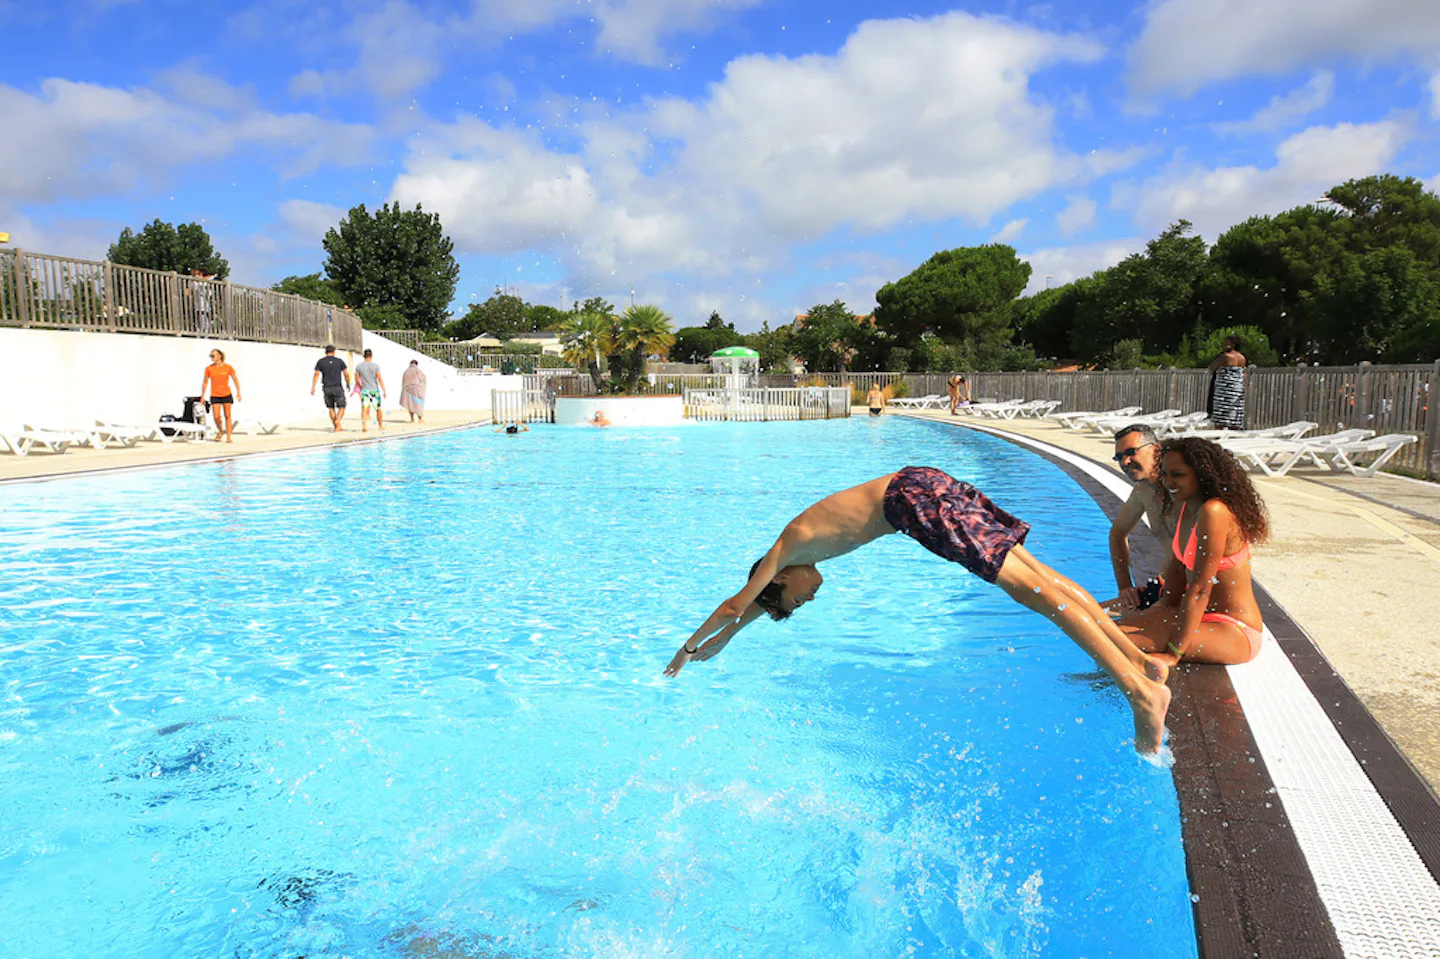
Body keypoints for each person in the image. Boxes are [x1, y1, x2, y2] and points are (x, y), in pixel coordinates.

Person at [663, 466, 1172, 754]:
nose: (810, 598)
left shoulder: (785, 550)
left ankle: (1140, 692)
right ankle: (1137, 659)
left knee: (1031, 592)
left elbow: (737, 603)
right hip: (922, 483)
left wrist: (690, 648)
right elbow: (752, 607)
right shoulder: (798, 552)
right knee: (1043, 577)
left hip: (910, 501)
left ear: (777, 579)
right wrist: (730, 637)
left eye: (798, 599)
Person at [1118, 438, 1269, 671]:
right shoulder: (1187, 507)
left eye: (1178, 475)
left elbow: (1200, 589)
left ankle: (1144, 690)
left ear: (1202, 474)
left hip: (1234, 630)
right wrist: (1152, 612)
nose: (1168, 482)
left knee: (1116, 644)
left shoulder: (1214, 511)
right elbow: (1177, 574)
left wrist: (1173, 654)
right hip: (1196, 616)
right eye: (1165, 474)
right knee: (1109, 632)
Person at [1101, 424, 1178, 613]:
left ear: (1156, 449)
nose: (1125, 462)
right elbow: (1117, 534)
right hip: (1166, 587)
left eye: (1131, 452)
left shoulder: (1183, 490)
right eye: (1119, 457)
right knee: (1087, 616)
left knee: (1107, 627)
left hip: (1191, 594)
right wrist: (1125, 589)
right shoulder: (1143, 491)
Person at [1206, 335, 1247, 430]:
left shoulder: (1225, 356)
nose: (1223, 345)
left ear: (1232, 345)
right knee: (1234, 414)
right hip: (1236, 390)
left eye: (1225, 343)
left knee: (1220, 417)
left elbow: (1211, 368)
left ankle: (1219, 434)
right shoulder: (1242, 358)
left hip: (1224, 390)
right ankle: (1233, 433)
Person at [200, 348, 241, 443]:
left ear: (219, 356)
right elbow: (205, 382)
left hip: (226, 394)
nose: (211, 358)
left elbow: (235, 380)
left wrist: (238, 392)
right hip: (215, 395)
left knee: (228, 416)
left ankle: (229, 437)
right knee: (216, 416)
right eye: (210, 356)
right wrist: (202, 396)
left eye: (213, 356)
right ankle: (221, 430)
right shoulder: (209, 368)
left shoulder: (228, 367)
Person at [311, 345, 351, 432]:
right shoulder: (339, 361)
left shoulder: (321, 362)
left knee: (331, 407)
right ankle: (338, 421)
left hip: (326, 387)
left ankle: (337, 426)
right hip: (337, 387)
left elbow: (316, 374)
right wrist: (348, 383)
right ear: (334, 351)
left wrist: (313, 386)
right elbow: (346, 374)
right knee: (342, 406)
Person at [354, 349, 387, 433]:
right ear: (371, 356)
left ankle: (364, 426)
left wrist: (360, 387)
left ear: (364, 356)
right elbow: (379, 379)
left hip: (365, 390)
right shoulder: (376, 366)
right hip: (374, 390)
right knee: (378, 409)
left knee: (364, 409)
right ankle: (380, 426)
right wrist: (384, 390)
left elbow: (357, 379)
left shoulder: (359, 366)